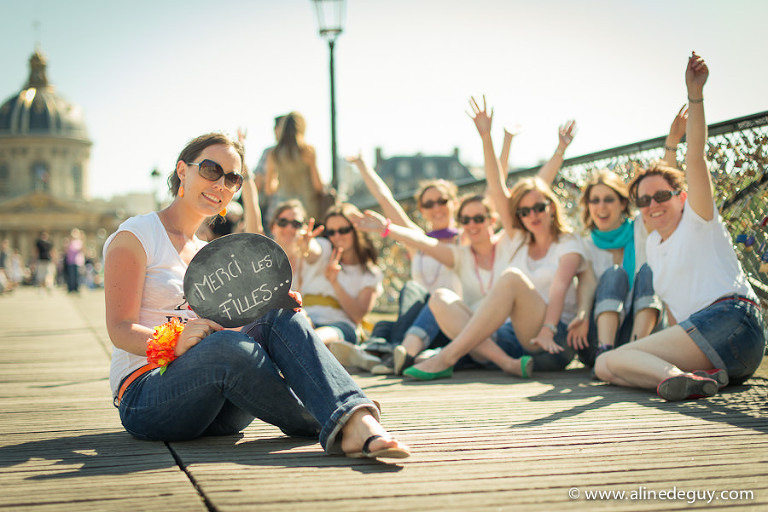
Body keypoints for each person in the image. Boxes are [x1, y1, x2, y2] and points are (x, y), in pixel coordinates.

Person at [103, 132, 408, 459]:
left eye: (232, 178)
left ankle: (346, 414)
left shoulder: (208, 253)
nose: (221, 184)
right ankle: (347, 419)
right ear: (182, 171)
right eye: (210, 169)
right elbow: (120, 329)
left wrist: (267, 306)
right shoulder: (137, 236)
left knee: (274, 313)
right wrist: (176, 342)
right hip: (148, 396)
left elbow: (231, 336)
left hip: (220, 407)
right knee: (224, 345)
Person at [356, 97, 592, 381]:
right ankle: (497, 362)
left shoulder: (515, 241)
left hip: (549, 338)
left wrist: (548, 149)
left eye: (479, 218)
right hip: (501, 338)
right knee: (439, 299)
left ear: (493, 220)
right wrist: (386, 228)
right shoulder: (492, 247)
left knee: (510, 279)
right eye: (465, 220)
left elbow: (506, 187)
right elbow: (422, 241)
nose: (472, 224)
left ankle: (441, 356)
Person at [594, 52, 765, 401]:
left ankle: (676, 378)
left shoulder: (699, 220)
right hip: (727, 356)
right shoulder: (654, 246)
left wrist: (695, 95)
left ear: (682, 197)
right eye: (644, 201)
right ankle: (690, 379)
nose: (653, 205)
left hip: (732, 318)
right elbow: (675, 318)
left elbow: (695, 157)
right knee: (606, 366)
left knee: (610, 360)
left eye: (661, 196)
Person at [348, 154, 462, 375]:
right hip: (416, 327)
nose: (436, 207)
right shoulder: (418, 241)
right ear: (422, 210)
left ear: (454, 203)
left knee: (388, 327)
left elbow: (493, 200)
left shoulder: (466, 239)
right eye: (428, 203)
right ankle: (390, 351)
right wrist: (362, 165)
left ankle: (380, 352)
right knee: (406, 296)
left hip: (448, 324)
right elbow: (386, 200)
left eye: (442, 201)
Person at [573, 169, 662, 366]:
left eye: (608, 199)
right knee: (614, 274)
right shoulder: (585, 246)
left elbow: (663, 188)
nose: (601, 207)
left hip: (638, 333)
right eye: (594, 200)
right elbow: (586, 286)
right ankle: (605, 356)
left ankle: (636, 353)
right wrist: (582, 315)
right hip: (596, 339)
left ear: (622, 203)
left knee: (649, 270)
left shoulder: (641, 229)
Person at [300, 203, 385, 370]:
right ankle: (345, 355)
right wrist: (306, 245)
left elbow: (357, 315)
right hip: (307, 317)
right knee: (298, 323)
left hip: (340, 325)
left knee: (314, 339)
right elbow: (313, 251)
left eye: (343, 230)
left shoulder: (370, 273)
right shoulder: (325, 248)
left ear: (357, 230)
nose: (337, 236)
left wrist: (335, 282)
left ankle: (338, 352)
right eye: (331, 232)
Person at [265, 112, 324, 221]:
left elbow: (269, 189)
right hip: (308, 210)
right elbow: (318, 186)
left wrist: (283, 181)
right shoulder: (308, 151)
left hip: (283, 210)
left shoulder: (274, 153)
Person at [65, 228, 85, 293]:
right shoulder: (70, 242)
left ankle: (76, 288)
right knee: (71, 275)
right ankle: (71, 288)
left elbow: (81, 249)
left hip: (78, 261)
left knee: (77, 276)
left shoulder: (80, 242)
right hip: (71, 261)